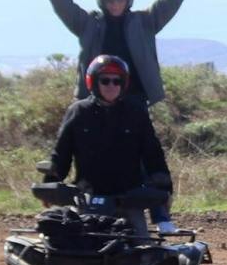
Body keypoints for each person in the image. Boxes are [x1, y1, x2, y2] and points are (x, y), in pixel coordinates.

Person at [34, 0, 197, 105]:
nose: (115, 4)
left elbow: (169, 2)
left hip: (136, 98)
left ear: (128, 0)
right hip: (94, 100)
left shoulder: (144, 22)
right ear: (102, 0)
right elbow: (63, 4)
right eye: (110, 0)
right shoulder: (88, 24)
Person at [42, 55, 174, 235]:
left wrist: (165, 189)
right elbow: (61, 153)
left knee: (143, 250)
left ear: (124, 83)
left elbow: (153, 153)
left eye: (117, 81)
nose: (111, 86)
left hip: (130, 197)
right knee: (81, 249)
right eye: (105, 80)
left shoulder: (136, 112)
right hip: (89, 198)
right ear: (93, 82)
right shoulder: (78, 112)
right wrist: (50, 184)